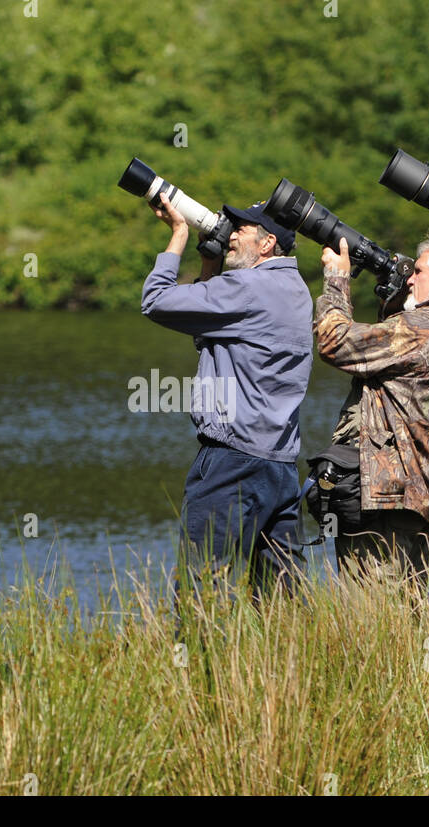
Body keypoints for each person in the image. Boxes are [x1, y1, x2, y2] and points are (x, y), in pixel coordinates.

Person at [141, 195, 312, 601]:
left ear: (267, 243)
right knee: (282, 595)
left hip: (231, 461)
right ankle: (291, 665)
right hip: (281, 466)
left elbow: (156, 302)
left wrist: (180, 234)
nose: (231, 235)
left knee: (203, 581)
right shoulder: (294, 289)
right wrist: (210, 265)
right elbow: (207, 330)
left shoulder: (247, 287)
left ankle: (202, 664)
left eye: (242, 230)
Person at [315, 235, 429, 584]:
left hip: (388, 497)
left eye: (418, 271)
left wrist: (337, 280)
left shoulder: (417, 330)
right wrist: (396, 299)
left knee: (369, 615)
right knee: (406, 609)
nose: (411, 279)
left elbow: (334, 342)